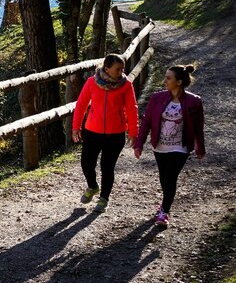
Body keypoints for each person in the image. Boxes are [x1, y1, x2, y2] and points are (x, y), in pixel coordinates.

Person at [134, 64, 205, 228]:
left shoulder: (194, 101)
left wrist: (200, 148)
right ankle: (165, 204)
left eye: (168, 78)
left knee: (170, 177)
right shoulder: (157, 98)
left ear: (179, 82)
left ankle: (164, 211)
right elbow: (146, 122)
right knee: (164, 178)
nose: (165, 81)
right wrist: (139, 143)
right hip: (160, 146)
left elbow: (198, 127)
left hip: (180, 147)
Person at [72, 53, 138, 210]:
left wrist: (133, 132)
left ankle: (104, 199)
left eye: (122, 69)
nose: (121, 72)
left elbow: (131, 109)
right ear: (107, 69)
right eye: (118, 69)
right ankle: (93, 186)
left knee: (107, 167)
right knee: (87, 164)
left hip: (115, 134)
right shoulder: (91, 82)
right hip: (92, 131)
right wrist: (76, 127)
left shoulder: (126, 85)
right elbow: (81, 105)